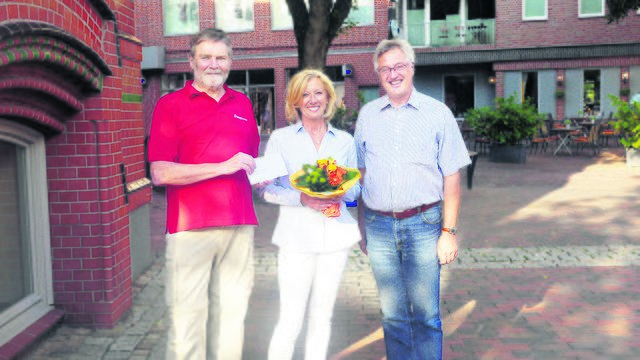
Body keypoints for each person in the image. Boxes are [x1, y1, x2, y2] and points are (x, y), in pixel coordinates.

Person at [354, 39, 471, 360]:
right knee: (392, 315)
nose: (393, 74)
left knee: (426, 314)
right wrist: (362, 228)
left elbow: (452, 176)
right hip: (378, 226)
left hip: (424, 224)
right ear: (378, 75)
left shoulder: (438, 114)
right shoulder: (367, 115)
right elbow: (361, 175)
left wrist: (448, 233)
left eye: (399, 66)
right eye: (385, 69)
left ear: (411, 68)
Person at [147, 28, 260, 360]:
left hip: (239, 224)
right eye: (206, 57)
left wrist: (264, 176)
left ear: (230, 62)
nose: (214, 64)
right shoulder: (170, 106)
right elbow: (160, 172)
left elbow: (248, 162)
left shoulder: (242, 103)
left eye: (221, 57)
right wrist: (222, 167)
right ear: (191, 61)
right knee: (188, 318)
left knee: (233, 315)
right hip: (190, 228)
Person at [257, 69, 361, 360]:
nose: (312, 99)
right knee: (290, 317)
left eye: (318, 92)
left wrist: (342, 192)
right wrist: (301, 197)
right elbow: (267, 191)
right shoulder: (280, 138)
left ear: (329, 97)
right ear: (295, 101)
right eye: (305, 94)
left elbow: (355, 193)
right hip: (295, 238)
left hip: (335, 238)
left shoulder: (344, 141)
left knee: (322, 316)